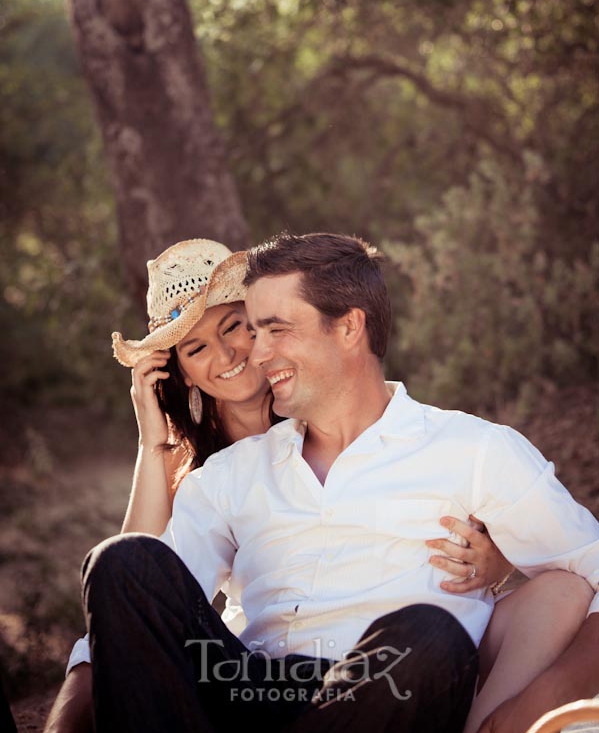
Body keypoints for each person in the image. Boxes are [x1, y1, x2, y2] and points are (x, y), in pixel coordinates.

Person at [74, 233, 598, 733]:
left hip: (383, 692)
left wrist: (533, 707)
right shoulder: (230, 474)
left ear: (349, 327)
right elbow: (142, 605)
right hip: (247, 692)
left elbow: (588, 569)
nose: (254, 354)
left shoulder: (474, 449)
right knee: (121, 561)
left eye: (273, 330)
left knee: (431, 636)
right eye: (253, 331)